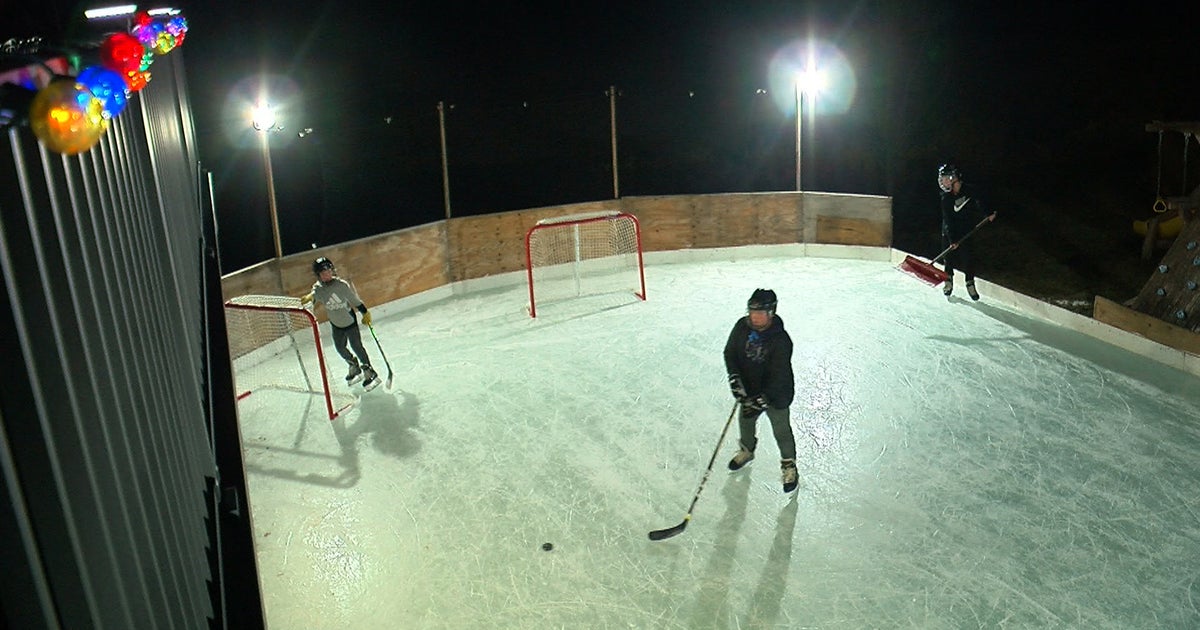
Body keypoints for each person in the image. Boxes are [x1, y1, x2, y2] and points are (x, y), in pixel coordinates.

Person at [725, 288, 798, 493]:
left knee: (781, 431)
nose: (755, 317)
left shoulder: (781, 340)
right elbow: (730, 353)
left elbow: (779, 376)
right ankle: (747, 450)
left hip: (776, 395)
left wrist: (763, 400)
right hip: (750, 388)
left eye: (760, 313)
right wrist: (734, 377)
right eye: (752, 312)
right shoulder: (741, 327)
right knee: (745, 422)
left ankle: (789, 465)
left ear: (771, 313)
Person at [301, 257, 379, 391]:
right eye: (323, 273)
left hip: (349, 322)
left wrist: (365, 312)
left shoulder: (341, 285)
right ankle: (353, 365)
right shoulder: (319, 289)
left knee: (356, 346)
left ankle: (368, 369)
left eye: (329, 271)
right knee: (340, 348)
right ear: (318, 275)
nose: (327, 275)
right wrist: (309, 297)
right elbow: (314, 295)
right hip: (336, 324)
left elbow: (354, 300)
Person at [937, 163, 997, 300]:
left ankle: (970, 282)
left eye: (945, 178)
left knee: (968, 258)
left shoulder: (969, 190)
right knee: (948, 258)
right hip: (949, 231)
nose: (943, 182)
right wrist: (952, 239)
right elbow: (948, 220)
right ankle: (948, 280)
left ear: (953, 178)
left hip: (966, 230)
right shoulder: (946, 197)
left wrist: (988, 213)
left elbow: (980, 201)